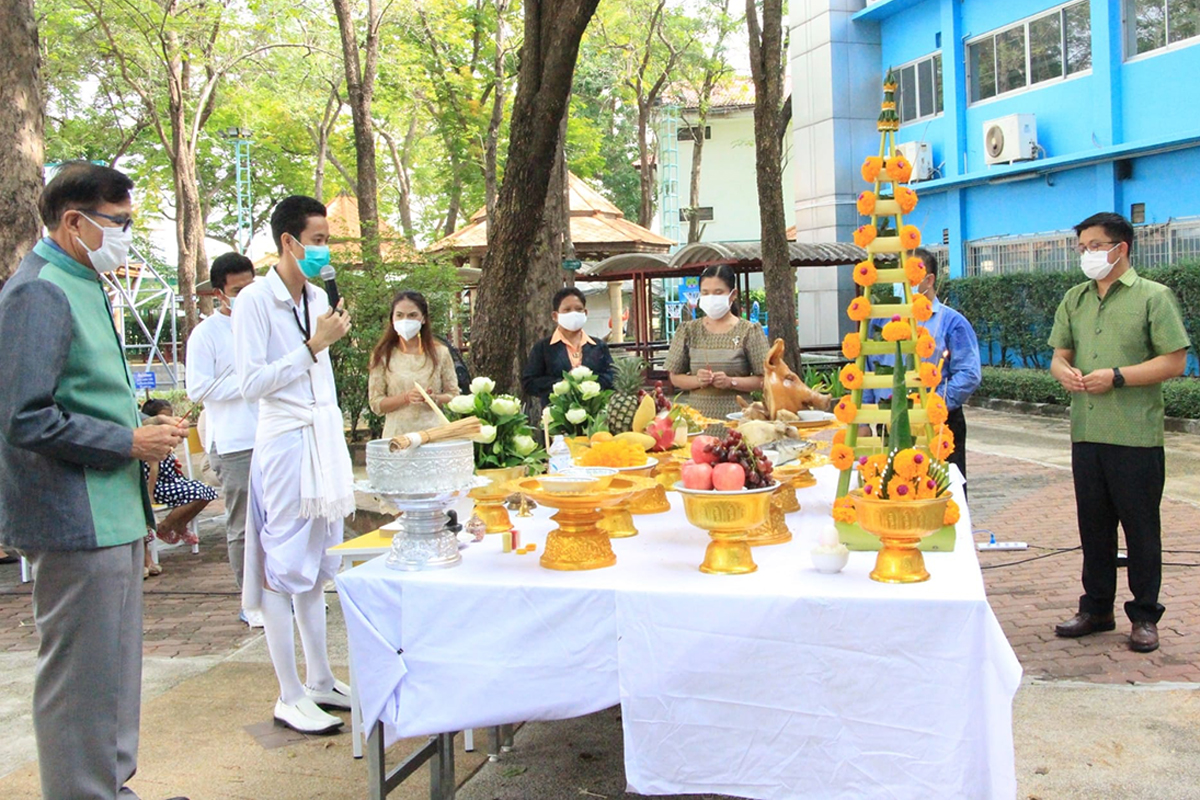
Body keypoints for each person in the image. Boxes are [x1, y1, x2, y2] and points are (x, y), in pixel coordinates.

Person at [0, 162, 190, 799]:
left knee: (110, 672)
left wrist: (145, 423)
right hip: (73, 517)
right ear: (74, 221)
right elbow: (24, 417)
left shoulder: (84, 281)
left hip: (110, 512)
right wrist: (127, 440)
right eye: (120, 223)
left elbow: (83, 393)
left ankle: (109, 787)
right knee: (79, 678)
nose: (128, 235)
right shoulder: (40, 289)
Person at [233, 195, 355, 734]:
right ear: (290, 241)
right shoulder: (255, 301)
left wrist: (320, 338)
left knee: (316, 567)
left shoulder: (314, 297)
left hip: (323, 439)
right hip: (285, 444)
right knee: (283, 570)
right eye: (320, 238)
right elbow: (251, 383)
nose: (324, 250)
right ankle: (288, 693)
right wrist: (312, 346)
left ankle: (322, 679)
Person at [1049, 212, 1190, 654]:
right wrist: (1064, 374)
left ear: (1120, 248)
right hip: (1086, 432)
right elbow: (1059, 356)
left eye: (1094, 246)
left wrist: (1118, 376)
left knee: (1141, 530)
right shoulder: (1075, 298)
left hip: (1135, 436)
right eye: (1081, 247)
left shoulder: (1153, 297)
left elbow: (1174, 361)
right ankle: (1096, 608)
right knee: (1093, 527)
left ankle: (1145, 616)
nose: (1086, 255)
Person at [860, 248, 982, 486]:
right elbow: (868, 369)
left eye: (911, 277)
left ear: (929, 280)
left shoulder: (952, 322)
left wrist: (931, 405)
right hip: (888, 423)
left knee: (942, 493)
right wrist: (864, 420)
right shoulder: (881, 320)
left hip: (937, 425)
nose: (903, 284)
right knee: (892, 491)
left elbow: (969, 373)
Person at [186, 252, 259, 621]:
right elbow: (197, 388)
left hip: (274, 434)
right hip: (233, 441)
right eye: (236, 290)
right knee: (244, 524)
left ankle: (283, 592)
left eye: (250, 287)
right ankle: (252, 601)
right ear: (219, 293)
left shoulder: (265, 322)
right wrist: (249, 382)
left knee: (281, 519)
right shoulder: (206, 334)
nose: (244, 295)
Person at [665, 264, 769, 418]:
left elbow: (765, 379)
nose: (711, 298)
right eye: (705, 293)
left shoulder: (749, 331)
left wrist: (731, 382)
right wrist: (697, 380)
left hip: (739, 420)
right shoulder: (688, 330)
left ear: (732, 295)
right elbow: (674, 377)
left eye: (718, 292)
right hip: (698, 420)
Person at [139, 400, 217, 578]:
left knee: (205, 489)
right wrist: (150, 495)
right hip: (160, 486)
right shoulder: (153, 440)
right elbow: (153, 470)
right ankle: (165, 528)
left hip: (172, 481)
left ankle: (177, 524)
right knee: (198, 491)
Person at [368, 290, 460, 438]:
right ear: (392, 319)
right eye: (399, 315)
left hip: (433, 435)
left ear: (423, 319)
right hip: (397, 436)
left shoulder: (440, 353)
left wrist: (435, 398)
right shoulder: (383, 355)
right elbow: (376, 404)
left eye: (412, 315)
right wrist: (405, 397)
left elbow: (454, 395)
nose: (405, 320)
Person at [522, 287, 615, 405]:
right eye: (567, 310)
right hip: (556, 416)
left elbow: (612, 376)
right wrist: (564, 384)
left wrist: (589, 383)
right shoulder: (543, 348)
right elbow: (529, 383)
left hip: (595, 413)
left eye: (578, 309)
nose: (574, 314)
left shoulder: (598, 346)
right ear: (555, 316)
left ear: (585, 313)